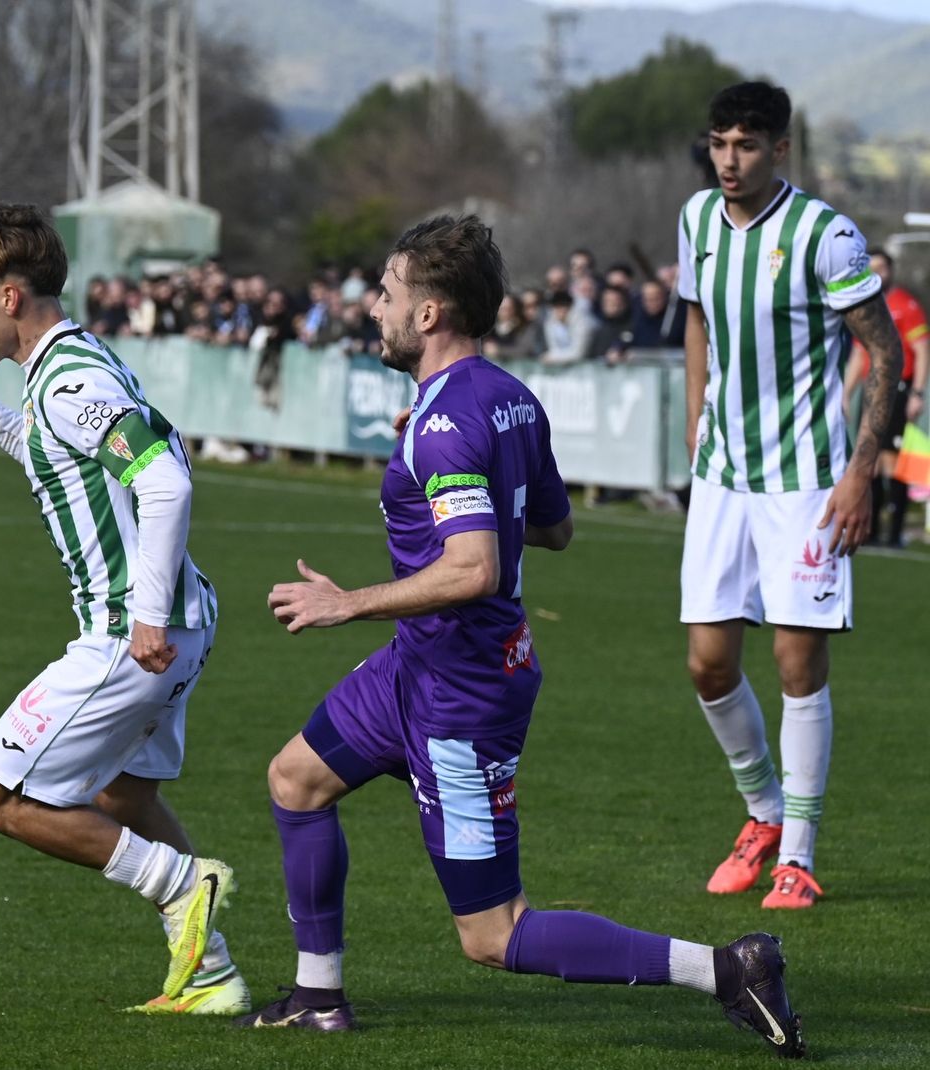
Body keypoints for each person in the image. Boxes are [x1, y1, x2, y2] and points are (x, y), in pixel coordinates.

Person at [238, 214, 804, 1060]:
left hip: (461, 694)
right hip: (417, 666)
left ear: (429, 314)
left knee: (493, 933)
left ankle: (729, 969)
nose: (374, 309)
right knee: (296, 779)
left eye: (388, 295)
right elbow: (553, 528)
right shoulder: (505, 398)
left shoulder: (445, 423)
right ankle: (318, 995)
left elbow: (475, 570)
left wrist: (346, 603)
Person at [0, 203, 248, 1015]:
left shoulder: (71, 381)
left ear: (12, 295)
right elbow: (70, 461)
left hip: (129, 639)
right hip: (177, 627)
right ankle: (212, 975)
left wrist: (146, 616)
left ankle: (182, 882)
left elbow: (163, 478)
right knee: (123, 802)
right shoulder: (65, 366)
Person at [676, 82, 903, 911]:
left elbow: (887, 356)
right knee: (707, 662)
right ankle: (763, 814)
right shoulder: (697, 219)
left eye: (745, 145)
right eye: (718, 143)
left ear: (780, 150)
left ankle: (798, 854)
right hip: (723, 476)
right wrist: (697, 412)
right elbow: (697, 317)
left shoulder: (826, 236)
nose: (728, 160)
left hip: (807, 480)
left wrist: (858, 472)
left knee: (796, 662)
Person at [842, 248, 929, 548]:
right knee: (871, 459)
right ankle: (873, 531)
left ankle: (894, 534)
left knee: (895, 463)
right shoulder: (866, 305)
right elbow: (857, 353)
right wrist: (846, 393)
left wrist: (917, 393)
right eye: (872, 267)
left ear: (891, 271)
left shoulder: (906, 305)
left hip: (897, 389)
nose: (878, 272)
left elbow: (921, 349)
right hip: (871, 390)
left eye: (883, 267)